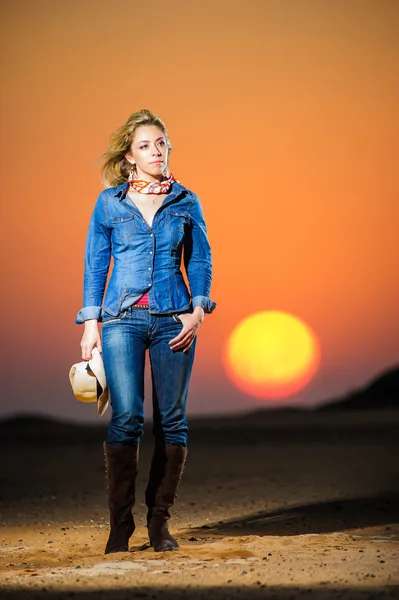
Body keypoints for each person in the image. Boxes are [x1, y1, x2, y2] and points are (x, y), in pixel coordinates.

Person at [75, 108, 217, 554]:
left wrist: (197, 311)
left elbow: (200, 259)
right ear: (129, 156)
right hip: (121, 320)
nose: (155, 151)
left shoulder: (186, 200)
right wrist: (90, 324)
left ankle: (160, 524)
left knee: (172, 420)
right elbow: (96, 264)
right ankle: (121, 527)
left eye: (161, 143)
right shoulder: (110, 203)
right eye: (145, 145)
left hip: (174, 318)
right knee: (127, 417)